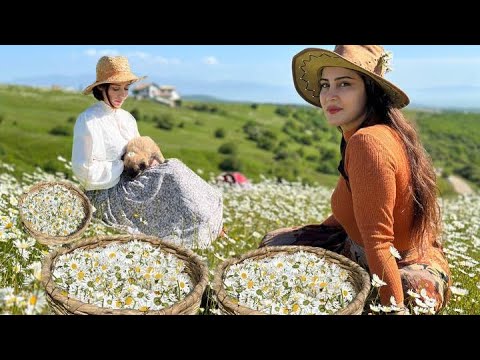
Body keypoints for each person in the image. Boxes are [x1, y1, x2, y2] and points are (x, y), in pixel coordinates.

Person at [259, 45, 451, 314]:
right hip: (395, 254)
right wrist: (313, 233)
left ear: (370, 91)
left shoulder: (367, 143)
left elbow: (379, 244)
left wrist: (392, 309)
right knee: (276, 244)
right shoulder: (372, 132)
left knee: (271, 256)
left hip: (398, 272)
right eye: (325, 84)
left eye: (345, 84)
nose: (330, 95)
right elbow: (357, 203)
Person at [71, 55, 223, 249]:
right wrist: (123, 165)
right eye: (116, 88)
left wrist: (147, 163)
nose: (122, 95)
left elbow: (139, 150)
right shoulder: (89, 120)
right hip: (107, 192)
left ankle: (209, 222)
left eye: (126, 88)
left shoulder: (127, 119)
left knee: (171, 167)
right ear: (101, 88)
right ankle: (201, 228)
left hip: (133, 181)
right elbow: (83, 170)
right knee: (171, 174)